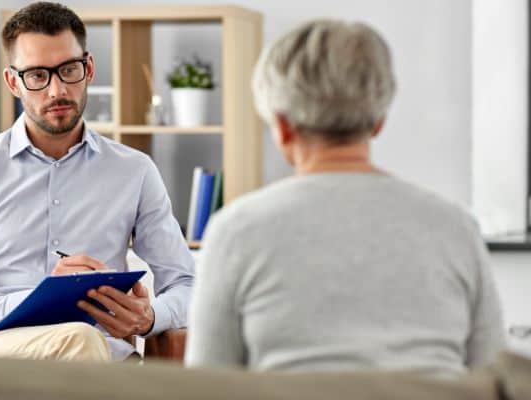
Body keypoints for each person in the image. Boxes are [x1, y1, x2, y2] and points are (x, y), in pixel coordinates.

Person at [185, 19, 505, 376]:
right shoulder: (455, 226)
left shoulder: (236, 230)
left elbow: (209, 384)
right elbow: (493, 377)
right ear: (378, 120)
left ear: (283, 126)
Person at [0, 2, 194, 362]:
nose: (56, 91)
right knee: (79, 339)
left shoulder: (135, 171)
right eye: (38, 75)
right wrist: (45, 297)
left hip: (103, 357)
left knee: (84, 342)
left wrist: (149, 317)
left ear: (88, 69)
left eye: (68, 70)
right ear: (13, 82)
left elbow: (186, 284)